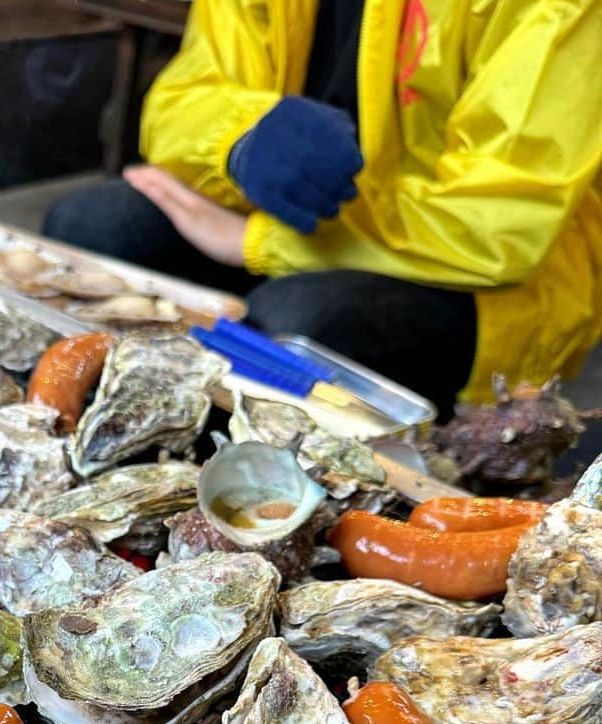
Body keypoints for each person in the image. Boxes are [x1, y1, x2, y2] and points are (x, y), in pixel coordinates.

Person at [45, 0, 602, 417]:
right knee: (86, 232)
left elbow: (499, 222)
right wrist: (240, 139)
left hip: (479, 276)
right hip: (281, 216)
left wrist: (257, 243)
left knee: (296, 327)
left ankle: (282, 501)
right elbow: (186, 93)